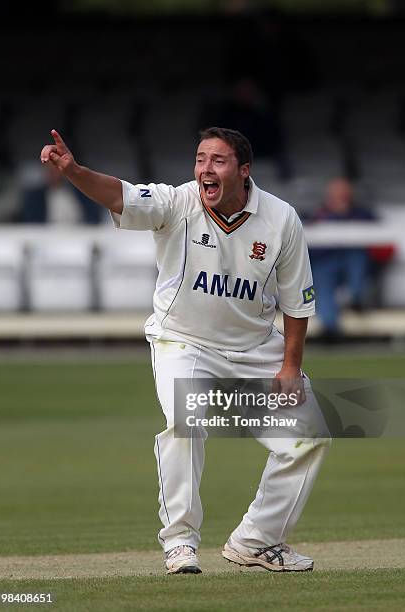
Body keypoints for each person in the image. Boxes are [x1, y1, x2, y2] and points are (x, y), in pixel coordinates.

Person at [40, 127, 330, 575]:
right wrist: (74, 171)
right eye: (200, 159)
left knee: (309, 433)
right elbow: (119, 196)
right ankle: (179, 543)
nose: (204, 170)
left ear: (244, 171)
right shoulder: (178, 202)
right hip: (184, 340)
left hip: (254, 346)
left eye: (217, 160)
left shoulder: (281, 219)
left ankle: (257, 540)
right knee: (185, 420)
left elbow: (296, 302)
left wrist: (291, 365)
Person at [307, 178, 376, 342]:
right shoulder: (317, 215)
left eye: (344, 194)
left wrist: (344, 216)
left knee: (356, 255)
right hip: (326, 262)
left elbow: (376, 235)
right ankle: (330, 328)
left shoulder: (362, 213)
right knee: (322, 277)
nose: (341, 197)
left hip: (354, 262)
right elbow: (311, 247)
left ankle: (356, 297)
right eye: (337, 194)